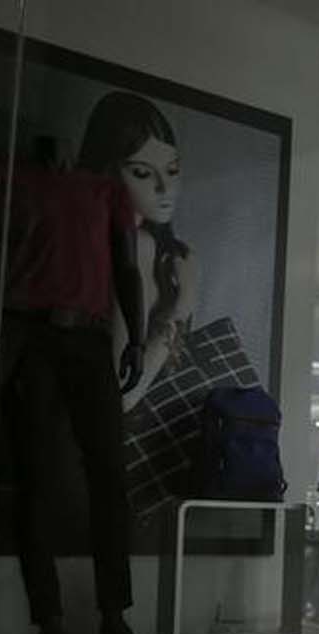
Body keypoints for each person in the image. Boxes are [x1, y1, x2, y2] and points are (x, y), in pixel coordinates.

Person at [0, 132, 147, 634]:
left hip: (88, 338)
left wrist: (137, 334)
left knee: (109, 475)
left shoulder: (106, 191)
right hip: (30, 337)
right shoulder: (17, 184)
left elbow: (127, 267)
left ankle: (114, 615)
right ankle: (51, 620)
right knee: (34, 478)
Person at [80, 92, 198, 411]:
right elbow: (124, 394)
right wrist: (182, 306)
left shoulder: (145, 245)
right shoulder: (138, 246)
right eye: (143, 173)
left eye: (172, 170)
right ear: (108, 172)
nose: (164, 188)